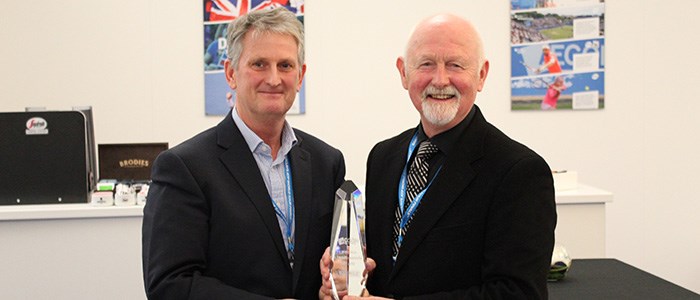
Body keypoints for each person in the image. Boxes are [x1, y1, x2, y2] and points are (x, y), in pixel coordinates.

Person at [320, 13, 556, 299]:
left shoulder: (519, 172)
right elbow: (395, 263)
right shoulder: (383, 157)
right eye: (426, 64)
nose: (440, 79)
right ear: (403, 73)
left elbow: (519, 293)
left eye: (455, 65)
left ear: (481, 75)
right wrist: (350, 273)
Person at [143, 7, 346, 299]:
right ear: (231, 73)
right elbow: (170, 285)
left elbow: (328, 262)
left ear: (301, 76)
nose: (274, 79)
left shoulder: (327, 162)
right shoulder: (184, 168)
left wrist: (336, 281)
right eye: (259, 64)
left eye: (286, 66)